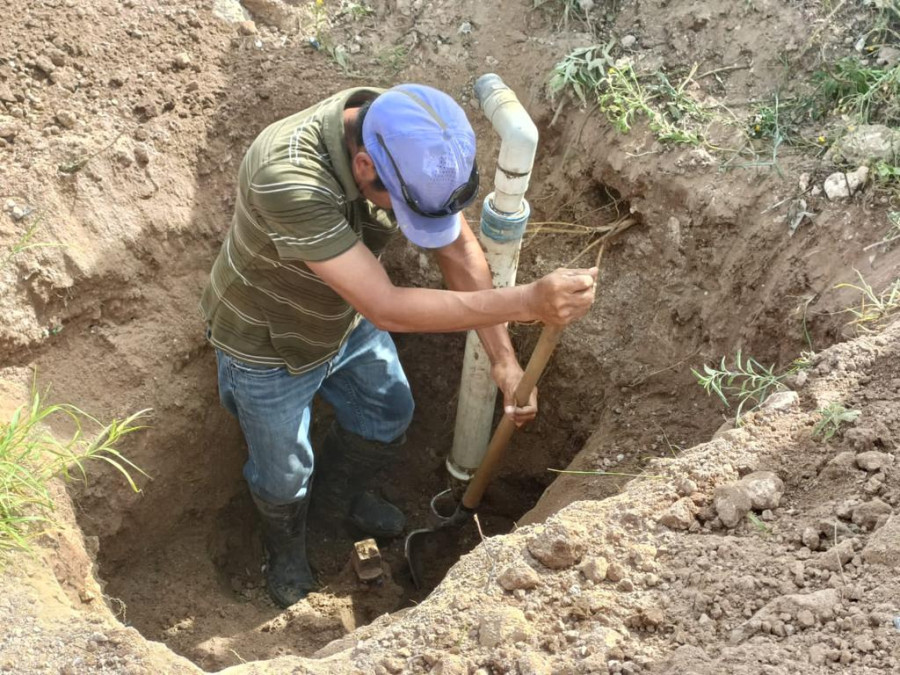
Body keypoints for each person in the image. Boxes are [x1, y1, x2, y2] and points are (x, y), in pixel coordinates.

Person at [201, 83, 597, 607]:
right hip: (270, 341)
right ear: (363, 166)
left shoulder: (413, 137)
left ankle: (334, 505)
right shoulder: (289, 176)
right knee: (283, 475)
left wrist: (504, 359)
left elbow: (456, 245)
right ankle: (285, 547)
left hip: (342, 317)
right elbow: (384, 305)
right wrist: (527, 301)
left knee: (387, 413)